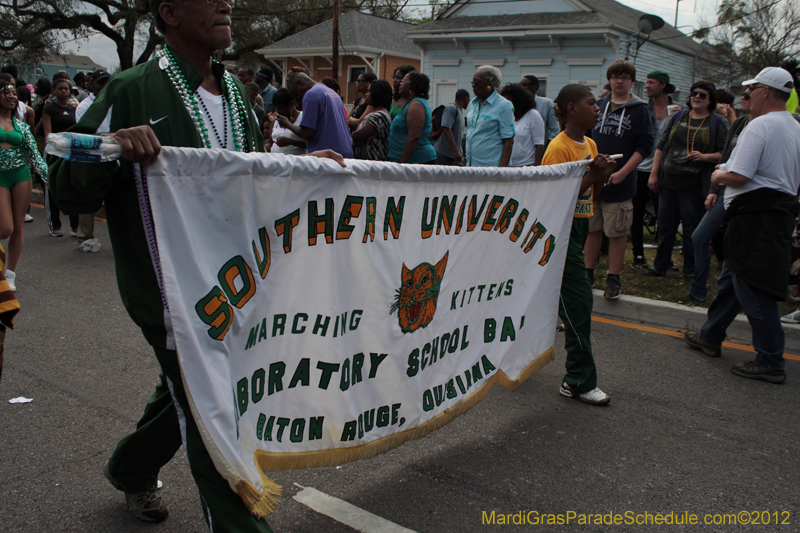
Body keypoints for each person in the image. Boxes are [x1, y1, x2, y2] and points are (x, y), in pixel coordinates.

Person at [49, 0, 342, 528]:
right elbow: (67, 188)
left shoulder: (236, 93)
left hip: (236, 283)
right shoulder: (131, 90)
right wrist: (112, 146)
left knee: (190, 390)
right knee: (214, 409)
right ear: (170, 13)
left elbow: (248, 172)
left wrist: (300, 168)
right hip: (168, 292)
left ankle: (131, 466)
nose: (225, 4)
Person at [684, 67, 800, 384]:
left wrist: (719, 174)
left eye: (752, 89)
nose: (747, 94)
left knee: (752, 287)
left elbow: (739, 175)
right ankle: (710, 336)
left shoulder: (760, 125)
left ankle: (771, 359)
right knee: (733, 279)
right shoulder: (794, 126)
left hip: (754, 216)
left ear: (766, 91)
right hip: (776, 213)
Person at [542, 84, 617, 405]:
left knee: (552, 300)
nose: (598, 108)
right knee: (578, 303)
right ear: (572, 109)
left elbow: (589, 196)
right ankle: (578, 380)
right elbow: (553, 201)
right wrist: (592, 176)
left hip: (580, 226)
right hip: (560, 230)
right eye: (591, 103)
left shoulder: (591, 144)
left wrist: (601, 176)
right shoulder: (557, 149)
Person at [645, 81, 727, 285]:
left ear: (710, 100)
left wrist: (705, 157)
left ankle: (690, 270)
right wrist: (654, 174)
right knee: (665, 227)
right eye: (694, 93)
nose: (696, 97)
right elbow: (661, 146)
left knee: (691, 229)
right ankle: (660, 265)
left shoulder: (717, 122)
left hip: (694, 186)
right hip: (668, 182)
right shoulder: (678, 116)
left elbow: (725, 155)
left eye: (702, 95)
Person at [584, 60, 653, 299]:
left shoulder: (640, 110)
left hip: (620, 181)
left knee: (616, 231)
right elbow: (586, 137)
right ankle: (588, 271)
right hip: (595, 179)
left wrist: (624, 171)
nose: (619, 81)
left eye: (624, 77)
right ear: (609, 79)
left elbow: (645, 146)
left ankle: (613, 277)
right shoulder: (598, 105)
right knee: (592, 228)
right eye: (615, 77)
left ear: (631, 81)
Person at [689, 86, 753, 303]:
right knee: (699, 237)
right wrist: (713, 190)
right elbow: (726, 158)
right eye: (743, 94)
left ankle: (736, 297)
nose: (743, 97)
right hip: (725, 190)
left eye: (748, 94)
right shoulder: (740, 122)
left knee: (736, 247)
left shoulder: (767, 127)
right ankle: (699, 290)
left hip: (749, 197)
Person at [0, 76, 47, 292]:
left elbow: (36, 157)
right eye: (6, 92)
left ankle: (10, 274)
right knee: (5, 228)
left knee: (18, 226)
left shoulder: (22, 127)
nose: (12, 97)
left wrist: (51, 180)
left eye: (14, 94)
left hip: (20, 176)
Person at [632, 70, 677, 268]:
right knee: (636, 212)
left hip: (664, 169)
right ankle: (638, 254)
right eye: (647, 82)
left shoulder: (676, 111)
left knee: (665, 215)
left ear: (663, 85)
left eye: (651, 82)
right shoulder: (643, 109)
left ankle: (664, 256)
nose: (647, 86)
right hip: (641, 167)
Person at [72, 69, 112, 253]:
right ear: (91, 85)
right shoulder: (84, 106)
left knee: (116, 199)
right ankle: (85, 236)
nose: (104, 86)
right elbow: (86, 132)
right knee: (89, 197)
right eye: (100, 82)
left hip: (114, 155)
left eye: (106, 82)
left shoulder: (115, 102)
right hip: (93, 155)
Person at [280, 71, 353, 157]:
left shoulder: (311, 94)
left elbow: (307, 133)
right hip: (345, 152)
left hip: (328, 155)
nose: (298, 97)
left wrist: (287, 123)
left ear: (300, 82)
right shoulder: (332, 93)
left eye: (296, 93)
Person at [42, 77, 79, 238]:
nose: (63, 91)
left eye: (66, 89)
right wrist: (57, 144)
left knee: (72, 186)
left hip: (70, 152)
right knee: (52, 186)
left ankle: (75, 227)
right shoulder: (50, 109)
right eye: (60, 88)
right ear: (54, 91)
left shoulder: (73, 109)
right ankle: (55, 225)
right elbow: (47, 133)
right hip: (54, 151)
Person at [466, 65, 515, 167]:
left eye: (477, 82)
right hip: (472, 167)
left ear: (489, 83)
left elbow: (508, 142)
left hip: (492, 169)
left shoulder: (503, 105)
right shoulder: (473, 104)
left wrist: (501, 171)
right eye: (472, 82)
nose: (473, 85)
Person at [386, 71, 436, 164]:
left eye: (404, 81)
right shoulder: (411, 104)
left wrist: (402, 164)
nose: (400, 83)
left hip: (416, 160)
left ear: (412, 87)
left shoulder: (416, 105)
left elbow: (414, 137)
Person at [500, 83, 544, 166]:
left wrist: (536, 168)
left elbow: (539, 145)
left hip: (527, 166)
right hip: (508, 166)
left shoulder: (533, 115)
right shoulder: (506, 117)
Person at [351, 79, 392, 161]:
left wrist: (354, 135)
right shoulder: (373, 114)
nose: (366, 94)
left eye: (369, 91)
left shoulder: (380, 116)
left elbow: (358, 135)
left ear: (377, 94)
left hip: (373, 163)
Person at [520, 75, 559, 145]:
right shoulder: (517, 105)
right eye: (519, 85)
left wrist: (545, 147)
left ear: (534, 87)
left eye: (524, 84)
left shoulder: (546, 104)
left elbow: (554, 130)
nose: (521, 88)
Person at [433, 89, 469, 165]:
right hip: (443, 154)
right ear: (466, 98)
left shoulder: (460, 111)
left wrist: (461, 154)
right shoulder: (451, 108)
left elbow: (458, 136)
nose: (468, 103)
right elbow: (446, 129)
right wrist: (455, 150)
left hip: (453, 156)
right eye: (468, 100)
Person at [267, 88, 306, 155]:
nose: (278, 111)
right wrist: (267, 146)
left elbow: (310, 143)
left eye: (281, 107)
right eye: (276, 108)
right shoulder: (275, 121)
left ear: (291, 103)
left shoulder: (302, 117)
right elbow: (270, 142)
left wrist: (291, 142)